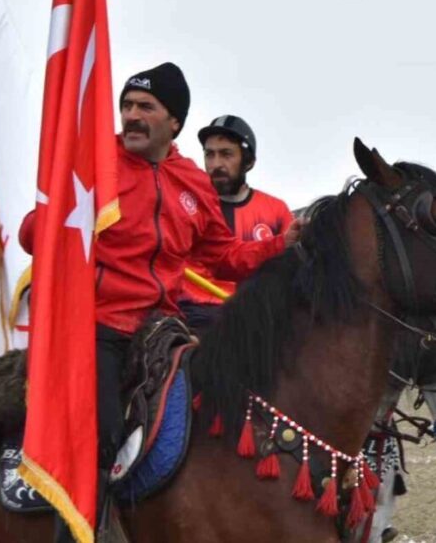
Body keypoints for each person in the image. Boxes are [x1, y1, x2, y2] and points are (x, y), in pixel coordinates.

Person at [20, 62, 295, 539]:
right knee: (103, 440)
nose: (131, 115)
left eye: (145, 106)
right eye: (126, 105)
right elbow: (31, 234)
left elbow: (222, 256)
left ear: (175, 123)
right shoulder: (93, 161)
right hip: (96, 325)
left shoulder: (191, 181)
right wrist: (60, 208)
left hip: (162, 331)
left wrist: (283, 244)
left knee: (216, 418)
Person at [179, 115, 294, 330]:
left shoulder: (276, 210)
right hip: (196, 315)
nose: (216, 164)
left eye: (226, 154)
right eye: (209, 155)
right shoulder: (189, 205)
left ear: (248, 161)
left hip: (259, 318)